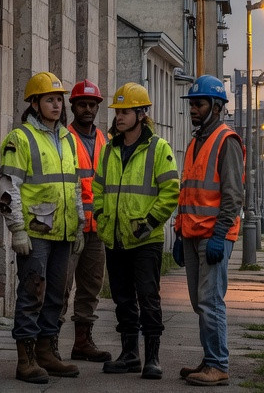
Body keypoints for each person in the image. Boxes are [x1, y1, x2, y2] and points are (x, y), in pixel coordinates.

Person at [0, 71, 84, 383]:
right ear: (34, 103)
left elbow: (73, 187)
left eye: (60, 99)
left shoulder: (67, 139)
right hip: (36, 232)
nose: (57, 104)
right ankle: (26, 360)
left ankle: (48, 353)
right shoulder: (20, 138)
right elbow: (8, 187)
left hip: (63, 231)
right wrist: (17, 229)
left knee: (57, 296)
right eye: (50, 99)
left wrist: (80, 225)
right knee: (32, 294)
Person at [93, 82, 180, 380]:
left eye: (125, 111)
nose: (119, 116)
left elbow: (170, 191)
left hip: (145, 240)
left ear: (141, 114)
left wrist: (150, 223)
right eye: (117, 111)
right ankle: (129, 354)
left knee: (148, 297)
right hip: (115, 237)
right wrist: (102, 219)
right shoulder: (109, 150)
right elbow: (99, 189)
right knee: (122, 298)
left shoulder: (159, 148)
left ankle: (152, 358)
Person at [173, 75, 244, 387]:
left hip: (213, 236)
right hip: (192, 234)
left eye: (199, 104)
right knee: (199, 301)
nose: (193, 109)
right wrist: (178, 231)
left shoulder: (225, 140)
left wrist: (219, 235)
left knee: (211, 301)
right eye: (192, 104)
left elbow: (233, 195)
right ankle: (209, 358)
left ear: (216, 106)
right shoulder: (195, 142)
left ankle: (218, 364)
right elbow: (187, 191)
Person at [61, 80, 114, 364]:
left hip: (97, 229)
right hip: (71, 227)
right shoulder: (63, 138)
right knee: (61, 286)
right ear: (73, 106)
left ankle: (82, 341)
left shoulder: (104, 140)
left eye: (92, 105)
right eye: (82, 104)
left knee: (91, 286)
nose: (88, 109)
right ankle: (49, 346)